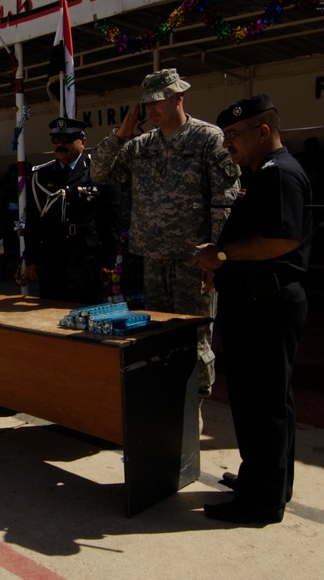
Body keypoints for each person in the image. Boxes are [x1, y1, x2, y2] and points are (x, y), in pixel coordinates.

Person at [90, 68, 240, 424]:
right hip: (153, 256)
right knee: (157, 334)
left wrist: (217, 256)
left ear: (177, 98)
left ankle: (196, 405)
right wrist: (121, 133)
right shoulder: (141, 145)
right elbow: (100, 173)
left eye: (157, 102)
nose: (152, 110)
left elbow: (225, 201)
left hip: (195, 260)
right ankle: (167, 400)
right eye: (147, 105)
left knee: (196, 335)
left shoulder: (207, 139)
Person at [190, 93, 312, 525]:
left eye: (234, 135)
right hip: (259, 300)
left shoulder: (279, 176)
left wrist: (220, 257)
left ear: (264, 131)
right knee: (266, 399)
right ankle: (267, 481)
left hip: (268, 302)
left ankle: (261, 501)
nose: (228, 144)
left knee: (262, 402)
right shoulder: (262, 173)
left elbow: (281, 240)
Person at [25, 117, 120, 303]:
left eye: (67, 140)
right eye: (56, 140)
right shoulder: (41, 176)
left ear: (83, 142)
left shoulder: (99, 172)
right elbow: (33, 222)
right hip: (52, 265)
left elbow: (112, 221)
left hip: (88, 264)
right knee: (50, 322)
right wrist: (32, 260)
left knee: (88, 322)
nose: (60, 144)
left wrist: (108, 262)